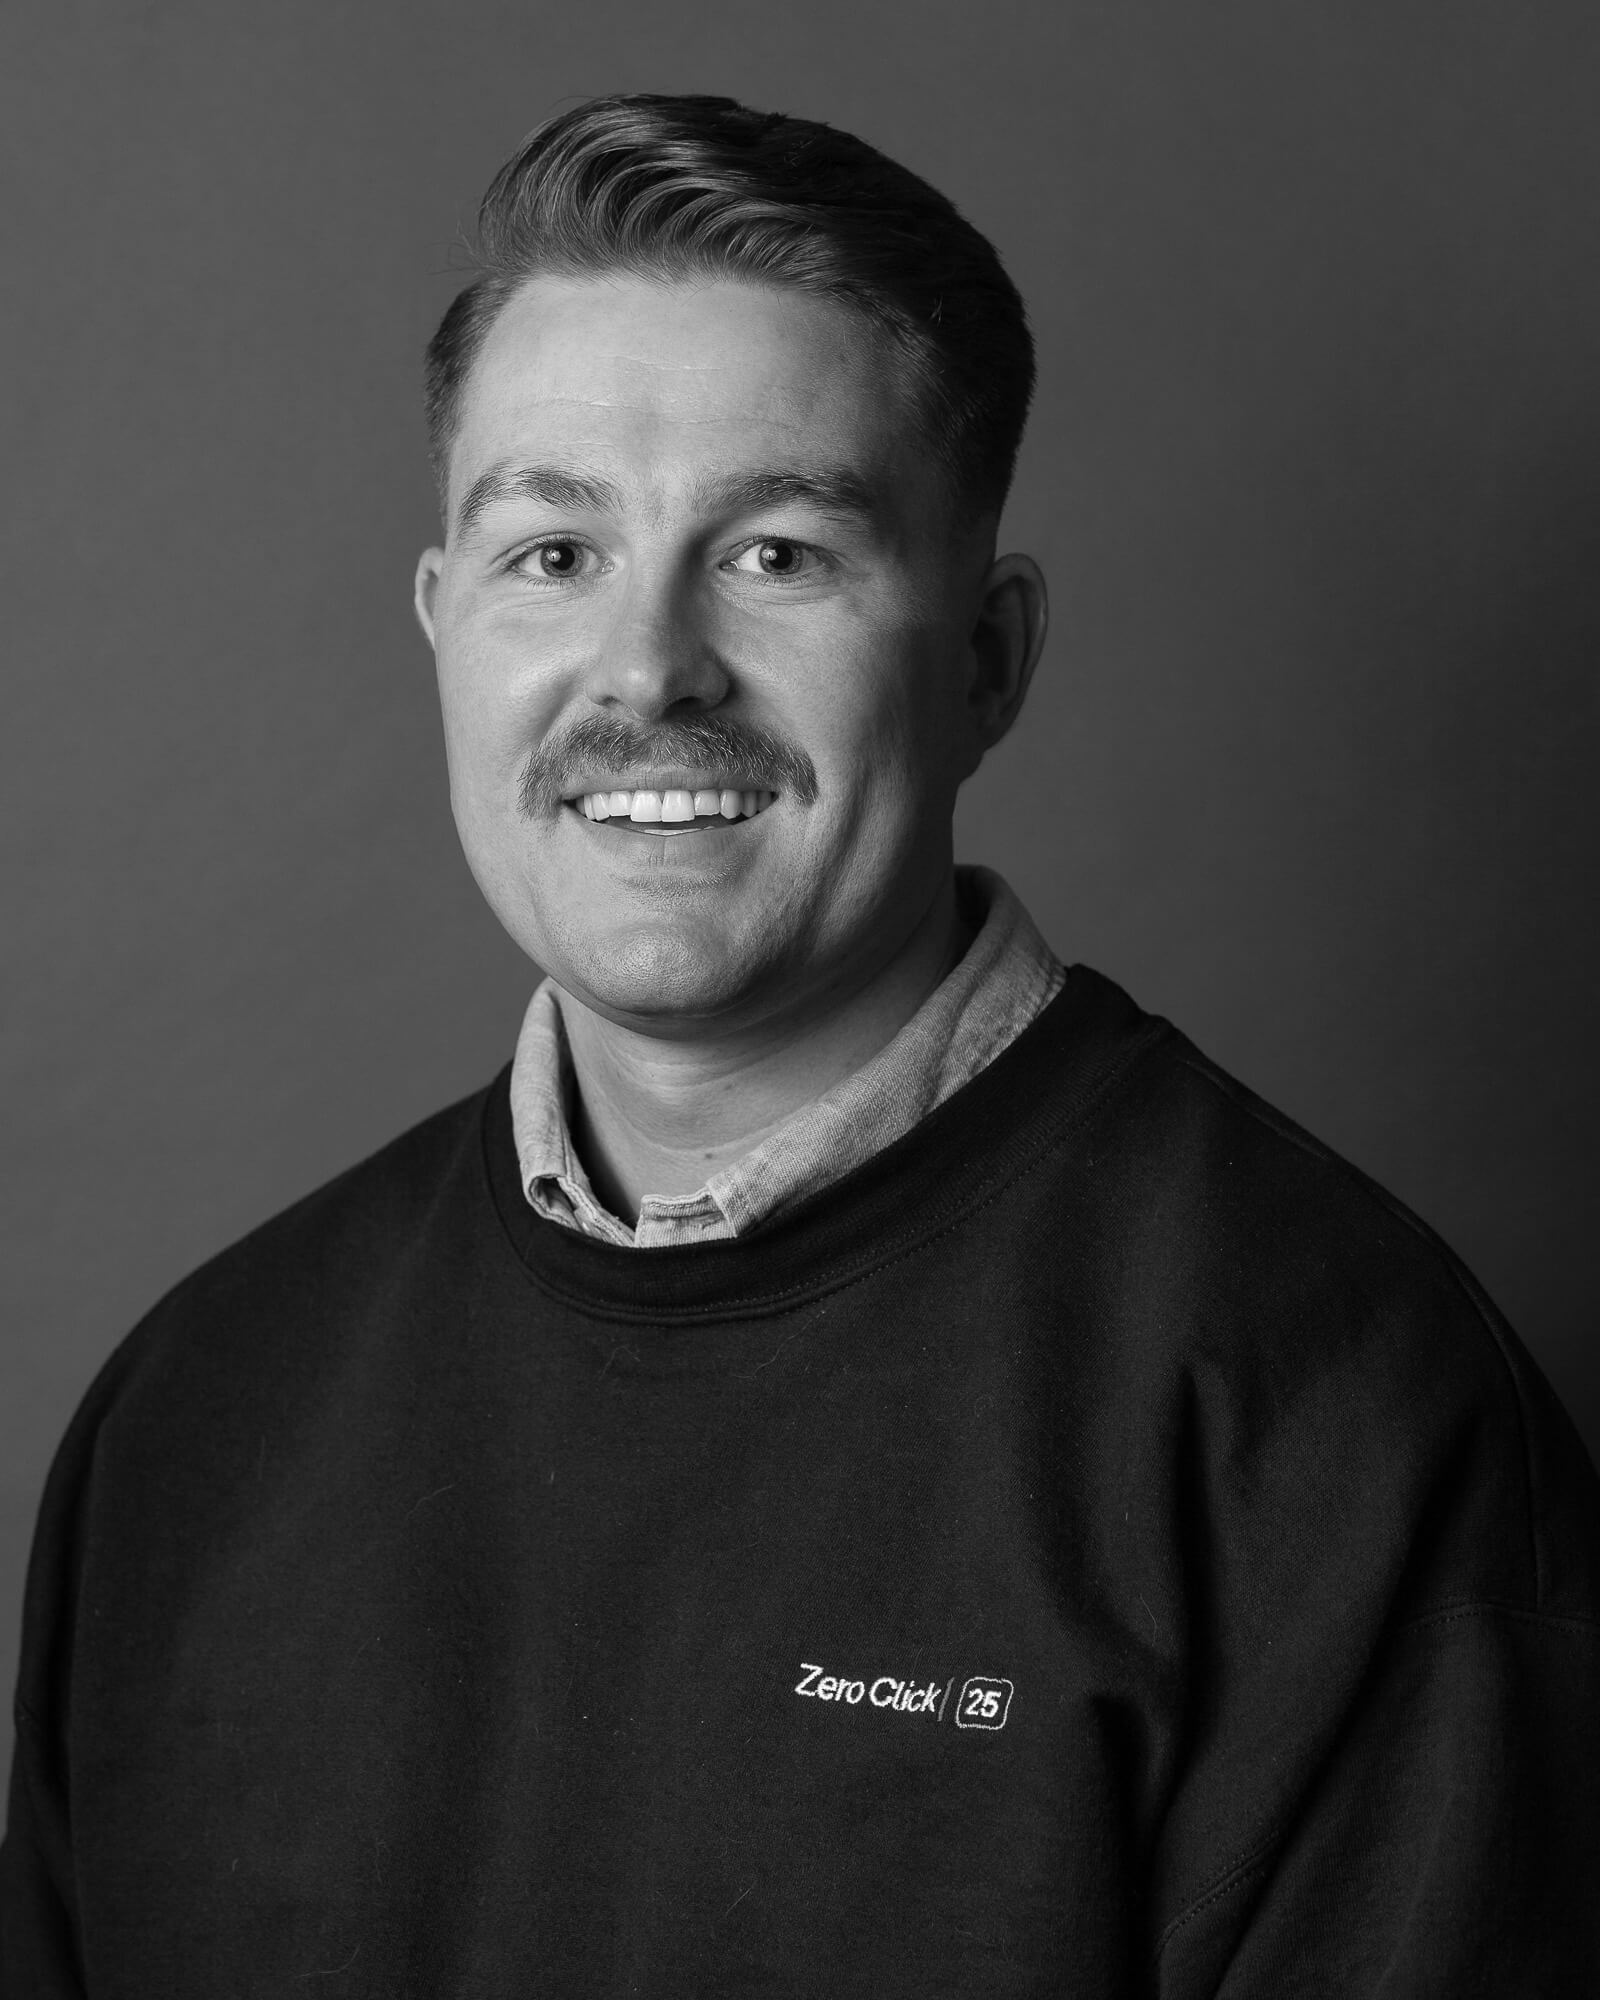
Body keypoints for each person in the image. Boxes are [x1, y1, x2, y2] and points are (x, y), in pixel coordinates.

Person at [3, 91, 1597, 1998]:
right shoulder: (201, 1412)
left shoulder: (1324, 1417)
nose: (647, 668)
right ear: (441, 626)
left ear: (987, 659)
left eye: (776, 554)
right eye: (551, 553)